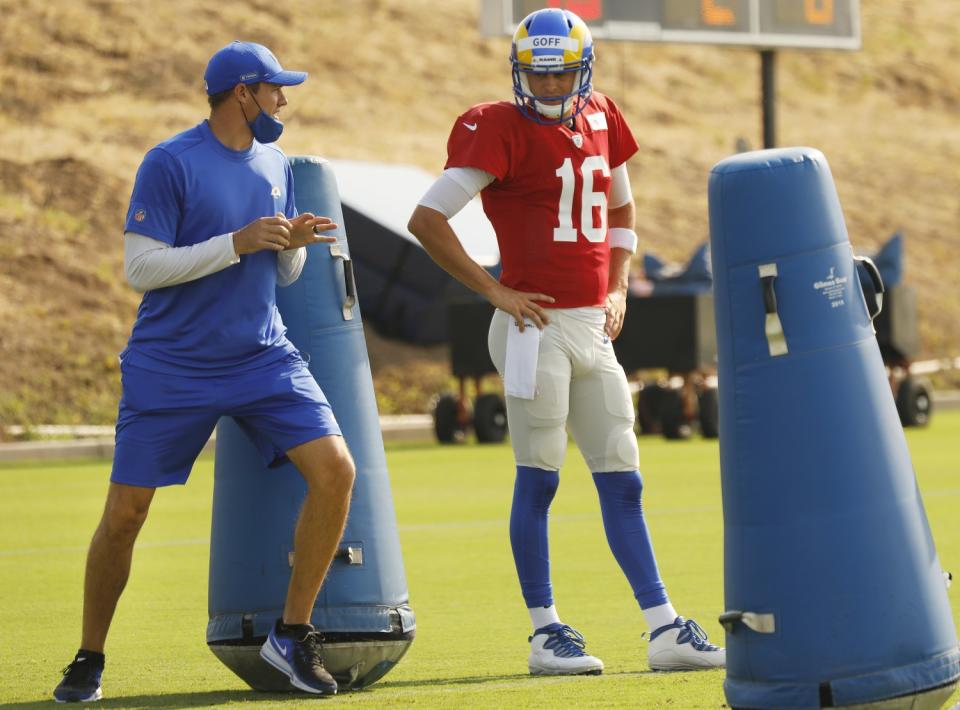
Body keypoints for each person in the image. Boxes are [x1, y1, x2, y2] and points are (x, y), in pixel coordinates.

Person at [408, 9, 725, 676]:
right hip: (533, 327)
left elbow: (622, 210)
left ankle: (664, 627)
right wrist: (493, 291)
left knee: (623, 476)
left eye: (560, 74)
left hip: (590, 325)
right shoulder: (495, 125)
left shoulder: (604, 114)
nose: (549, 87)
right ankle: (544, 632)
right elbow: (427, 218)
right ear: (519, 72)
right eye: (537, 74)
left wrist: (616, 288)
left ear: (584, 72)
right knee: (540, 478)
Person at [53, 41, 354, 702]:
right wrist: (236, 242)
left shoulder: (278, 162)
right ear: (241, 93)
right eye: (274, 88)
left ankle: (291, 637)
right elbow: (142, 267)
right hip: (172, 365)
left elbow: (278, 270)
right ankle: (88, 658)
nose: (284, 100)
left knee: (337, 472)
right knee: (126, 514)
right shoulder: (169, 162)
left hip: (261, 356)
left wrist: (290, 246)